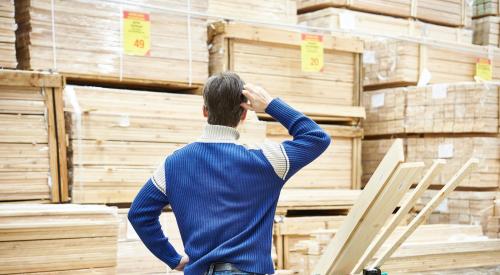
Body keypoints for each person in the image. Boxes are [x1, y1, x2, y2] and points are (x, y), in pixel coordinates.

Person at [128, 72, 331, 275]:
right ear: (244, 114)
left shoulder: (173, 164)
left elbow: (139, 214)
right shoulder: (268, 160)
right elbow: (316, 137)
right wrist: (270, 105)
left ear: (205, 111)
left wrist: (173, 259)